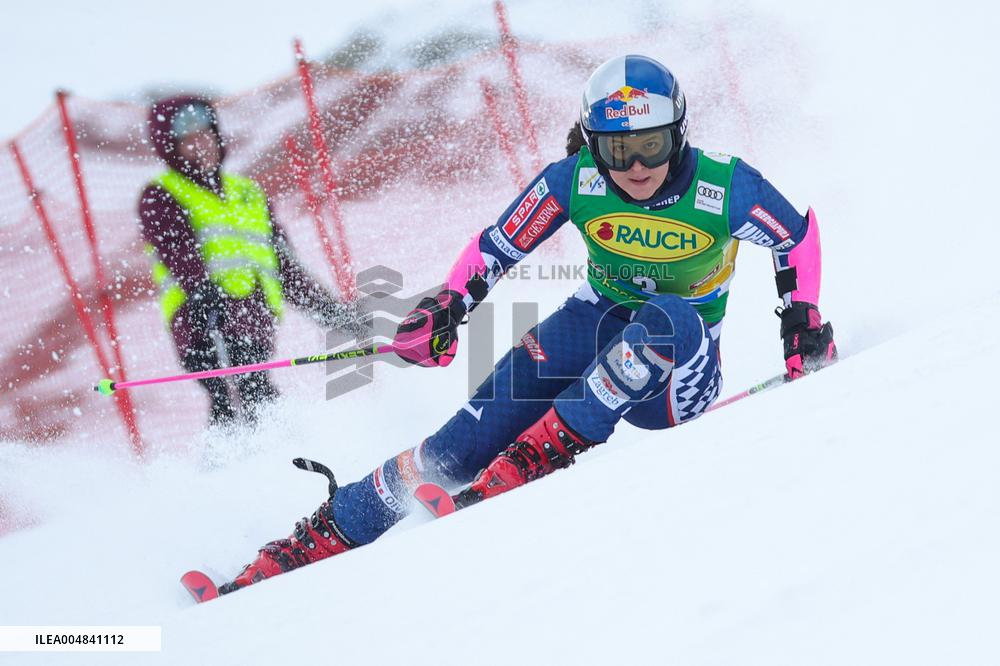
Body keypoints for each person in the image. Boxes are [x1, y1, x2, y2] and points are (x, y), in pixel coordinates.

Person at [216, 55, 837, 593]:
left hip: (676, 372)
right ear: (594, 143)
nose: (636, 165)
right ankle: (321, 536)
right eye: (618, 148)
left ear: (678, 133)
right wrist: (448, 307)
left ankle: (539, 455)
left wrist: (801, 322)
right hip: (596, 321)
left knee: (667, 317)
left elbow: (796, 239)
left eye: (651, 144)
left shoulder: (723, 187)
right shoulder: (577, 182)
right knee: (457, 448)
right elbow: (497, 247)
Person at [139, 96, 361, 426]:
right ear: (171, 147)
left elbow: (284, 266)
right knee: (248, 399)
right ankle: (263, 461)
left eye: (208, 134)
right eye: (190, 139)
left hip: (254, 324)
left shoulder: (249, 193)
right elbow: (177, 251)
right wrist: (202, 293)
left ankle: (224, 467)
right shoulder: (163, 194)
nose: (202, 144)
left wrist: (328, 311)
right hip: (205, 324)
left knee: (239, 407)